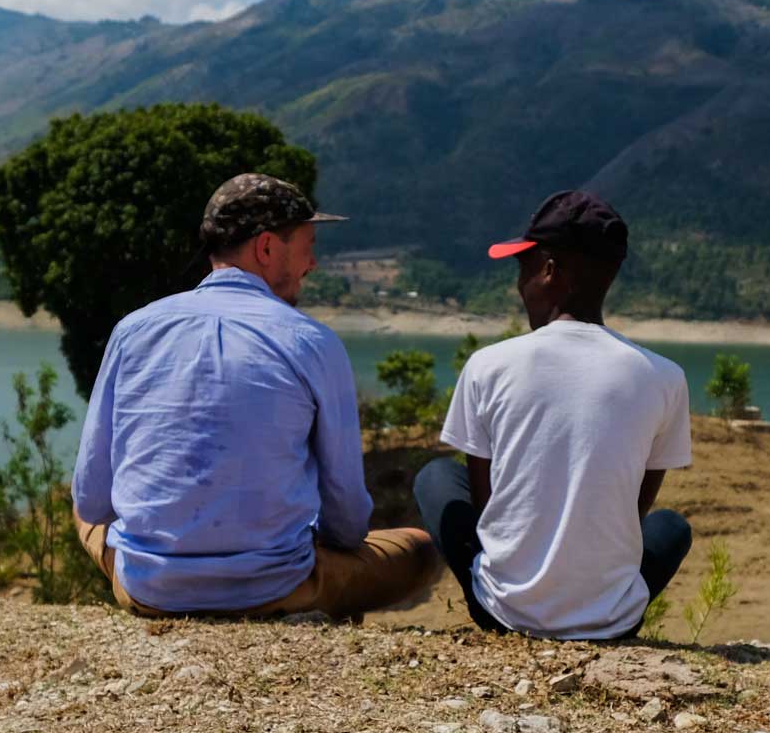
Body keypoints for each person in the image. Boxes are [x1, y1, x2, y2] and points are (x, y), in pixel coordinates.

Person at [71, 173, 438, 619]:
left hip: (150, 590)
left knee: (82, 515)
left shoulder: (132, 330)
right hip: (275, 588)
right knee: (417, 548)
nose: (313, 263)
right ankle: (314, 607)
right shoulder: (311, 342)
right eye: (307, 245)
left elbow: (92, 500)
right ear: (265, 248)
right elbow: (346, 523)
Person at [413, 190, 694, 640]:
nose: (518, 285)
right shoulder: (665, 377)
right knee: (671, 528)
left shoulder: (489, 365)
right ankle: (598, 602)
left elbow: (490, 513)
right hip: (613, 622)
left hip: (504, 612)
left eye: (522, 269)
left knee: (435, 477)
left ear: (548, 270)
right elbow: (635, 511)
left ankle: (510, 598)